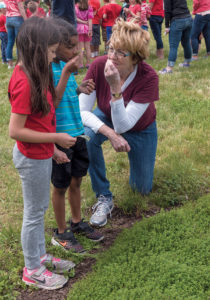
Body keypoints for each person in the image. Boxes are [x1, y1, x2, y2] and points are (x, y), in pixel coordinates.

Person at [8, 17, 76, 290]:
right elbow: (16, 130)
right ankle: (32, 269)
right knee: (34, 213)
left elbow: (50, 106)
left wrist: (52, 150)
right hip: (31, 157)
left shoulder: (38, 72)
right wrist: (55, 140)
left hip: (41, 153)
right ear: (37, 49)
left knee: (39, 209)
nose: (52, 57)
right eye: (50, 52)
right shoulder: (24, 81)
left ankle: (40, 256)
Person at [79, 19, 158, 227]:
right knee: (86, 135)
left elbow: (124, 125)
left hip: (140, 128)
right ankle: (103, 196)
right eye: (111, 49)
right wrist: (109, 133)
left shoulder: (148, 77)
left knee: (140, 190)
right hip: (106, 116)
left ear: (136, 57)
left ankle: (142, 167)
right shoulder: (98, 66)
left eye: (121, 53)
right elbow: (81, 112)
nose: (112, 57)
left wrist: (115, 87)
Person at [50, 18, 103, 253]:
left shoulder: (65, 66)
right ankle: (61, 233)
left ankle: (76, 221)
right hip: (59, 137)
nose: (75, 50)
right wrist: (66, 74)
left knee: (76, 180)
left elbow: (68, 91)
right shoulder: (50, 68)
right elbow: (53, 102)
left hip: (77, 132)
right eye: (70, 46)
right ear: (56, 45)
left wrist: (79, 87)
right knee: (60, 185)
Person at [159, 0, 192, 74]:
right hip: (188, 18)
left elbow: (167, 11)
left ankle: (169, 69)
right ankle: (187, 63)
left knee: (173, 46)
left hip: (177, 20)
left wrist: (167, 26)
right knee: (186, 43)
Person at [4, 0, 27, 69]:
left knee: (10, 42)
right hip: (17, 18)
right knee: (19, 42)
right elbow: (21, 8)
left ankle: (10, 64)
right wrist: (26, 19)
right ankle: (19, 63)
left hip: (8, 19)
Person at [75, 0, 93, 68]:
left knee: (81, 48)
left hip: (79, 29)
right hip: (87, 29)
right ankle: (88, 63)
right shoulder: (89, 7)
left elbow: (75, 18)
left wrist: (82, 22)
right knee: (88, 48)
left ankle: (81, 64)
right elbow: (90, 20)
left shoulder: (75, 7)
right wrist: (90, 30)